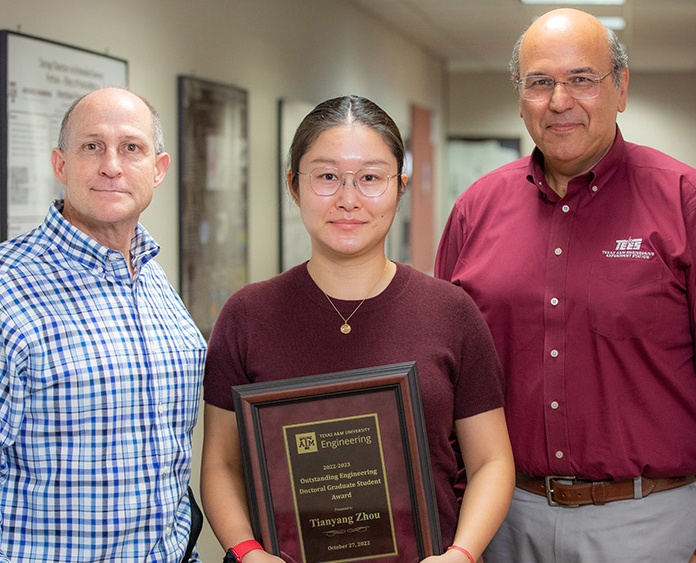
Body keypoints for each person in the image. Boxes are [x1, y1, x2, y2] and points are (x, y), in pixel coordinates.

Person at [435, 9, 696, 563]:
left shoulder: (691, 206)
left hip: (652, 526)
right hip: (501, 520)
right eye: (540, 82)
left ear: (620, 88)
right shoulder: (476, 210)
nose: (559, 100)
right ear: (520, 96)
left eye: (582, 79)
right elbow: (445, 375)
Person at [201, 95, 514, 563]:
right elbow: (221, 464)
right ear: (293, 186)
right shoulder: (248, 315)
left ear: (399, 188)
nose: (348, 199)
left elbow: (491, 461)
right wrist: (247, 552)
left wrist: (462, 554)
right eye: (326, 177)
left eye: (370, 178)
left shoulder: (451, 312)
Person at [0, 87, 206, 563]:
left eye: (131, 148)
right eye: (92, 146)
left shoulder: (151, 277)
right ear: (60, 164)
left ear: (158, 169)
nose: (111, 165)